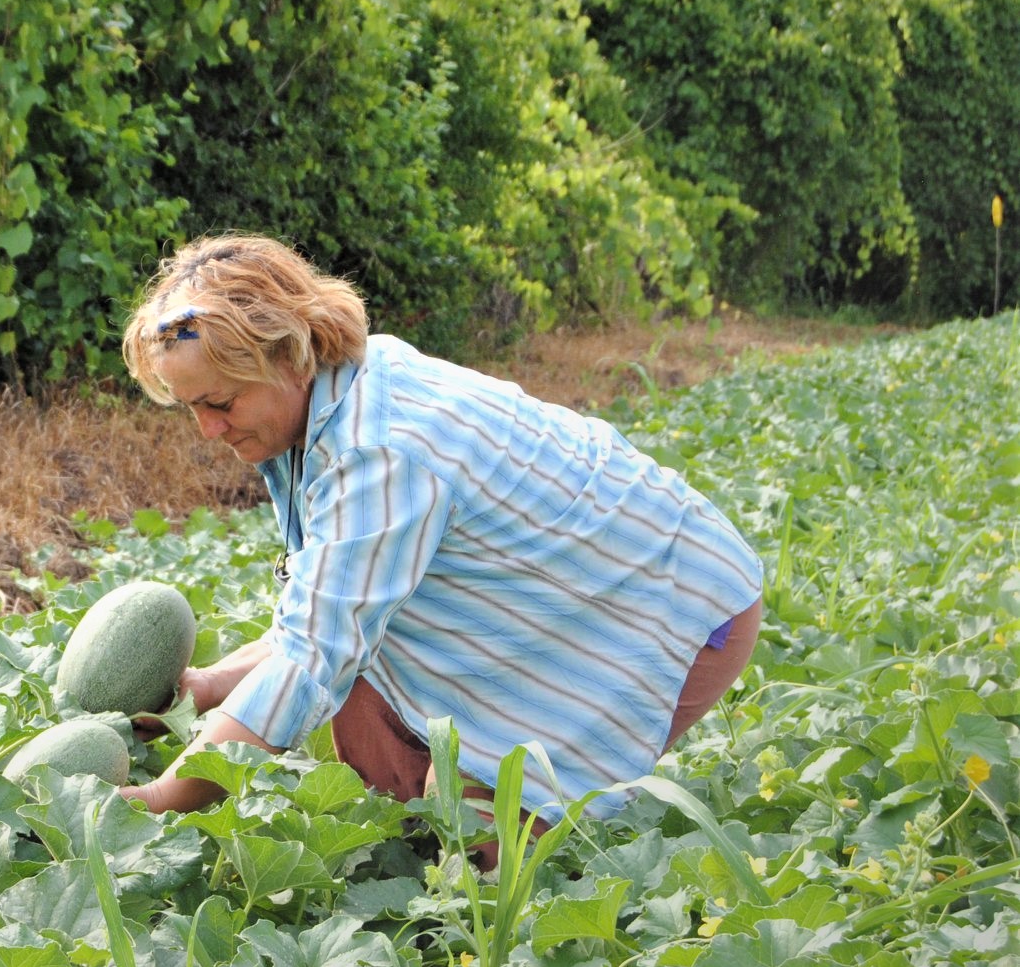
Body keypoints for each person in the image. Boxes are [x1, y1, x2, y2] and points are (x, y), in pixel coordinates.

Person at [114, 235, 764, 865]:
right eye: (192, 407)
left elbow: (311, 659)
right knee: (388, 746)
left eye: (220, 402)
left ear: (291, 357)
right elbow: (322, 609)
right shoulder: (324, 397)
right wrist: (201, 688)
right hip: (546, 602)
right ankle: (435, 806)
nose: (207, 429)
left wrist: (163, 799)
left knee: (492, 854)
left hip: (664, 606)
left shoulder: (380, 448)